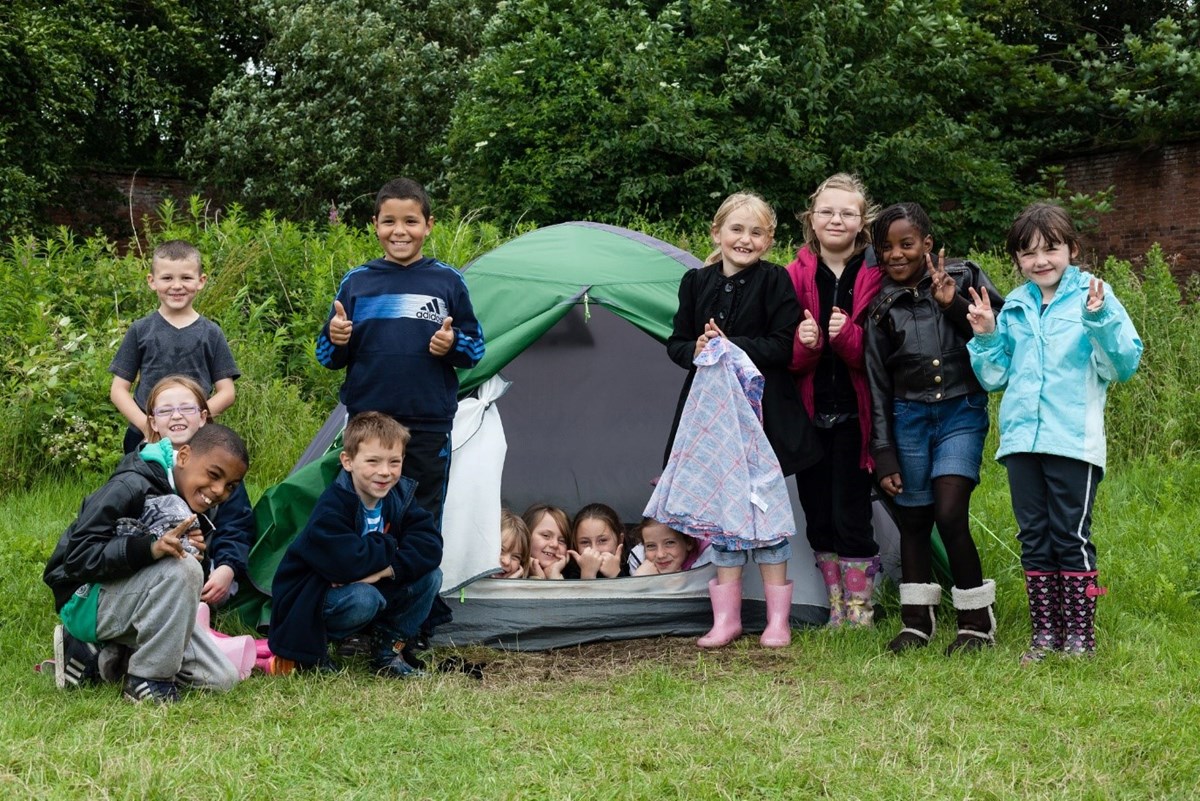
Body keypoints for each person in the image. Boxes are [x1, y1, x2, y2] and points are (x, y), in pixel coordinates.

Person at [967, 202, 1142, 661]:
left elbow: (1123, 364)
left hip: (1073, 442)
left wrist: (1098, 319)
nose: (1041, 260)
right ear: (1017, 260)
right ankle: (1045, 634)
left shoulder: (1095, 295)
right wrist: (986, 335)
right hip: (1022, 443)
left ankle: (1081, 634)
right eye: (1028, 253)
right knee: (1034, 536)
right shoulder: (1017, 305)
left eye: (1051, 249)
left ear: (1073, 249)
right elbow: (995, 377)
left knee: (1071, 536)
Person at [664, 191, 820, 649]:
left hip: (762, 421)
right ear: (717, 233)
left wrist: (732, 345)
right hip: (713, 421)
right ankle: (727, 621)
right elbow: (675, 344)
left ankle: (777, 622)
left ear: (769, 240)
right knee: (723, 516)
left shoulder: (775, 281)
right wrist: (695, 348)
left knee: (766, 516)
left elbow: (783, 346)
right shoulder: (695, 282)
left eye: (756, 232)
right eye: (736, 229)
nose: (745, 239)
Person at [865, 202, 1005, 655]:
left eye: (907, 244)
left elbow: (1002, 335)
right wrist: (883, 451)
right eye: (886, 248)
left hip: (961, 412)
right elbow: (877, 386)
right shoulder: (880, 307)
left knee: (949, 511)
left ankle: (976, 622)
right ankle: (916, 622)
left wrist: (954, 304)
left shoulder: (966, 277)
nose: (896, 255)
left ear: (927, 243)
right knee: (913, 518)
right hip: (908, 418)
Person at [316, 177, 485, 533]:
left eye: (411, 221)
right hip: (368, 422)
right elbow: (327, 355)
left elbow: (475, 349)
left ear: (428, 225)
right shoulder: (356, 283)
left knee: (422, 515)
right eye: (389, 221)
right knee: (365, 514)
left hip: (428, 425)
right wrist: (338, 337)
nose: (400, 231)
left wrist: (451, 346)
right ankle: (366, 585)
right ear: (375, 225)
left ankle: (419, 587)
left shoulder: (448, 282)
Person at [43, 424, 250, 704]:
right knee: (184, 568)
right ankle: (148, 679)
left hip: (134, 598)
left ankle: (100, 652)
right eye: (214, 475)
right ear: (185, 455)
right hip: (82, 597)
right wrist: (149, 549)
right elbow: (77, 557)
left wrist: (199, 558)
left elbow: (179, 585)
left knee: (220, 678)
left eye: (230, 486)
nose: (218, 491)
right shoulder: (130, 483)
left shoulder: (195, 502)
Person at [267, 412, 443, 677]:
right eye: (373, 461)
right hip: (314, 600)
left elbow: (430, 546)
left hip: (363, 583)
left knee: (431, 577)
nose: (385, 472)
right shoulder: (334, 504)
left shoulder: (399, 496)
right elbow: (347, 563)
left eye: (394, 462)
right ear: (347, 461)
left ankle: (386, 650)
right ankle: (315, 652)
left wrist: (384, 571)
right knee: (363, 597)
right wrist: (392, 544)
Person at [786, 173, 885, 628]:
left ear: (862, 222)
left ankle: (861, 610)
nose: (836, 219)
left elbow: (883, 355)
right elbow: (782, 356)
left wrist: (846, 338)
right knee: (818, 514)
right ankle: (836, 608)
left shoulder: (877, 273)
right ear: (812, 217)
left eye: (847, 212)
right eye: (827, 211)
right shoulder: (793, 274)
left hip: (856, 415)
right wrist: (804, 344)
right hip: (809, 415)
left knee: (852, 513)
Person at [109, 239, 239, 453]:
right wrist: (146, 426)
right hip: (143, 435)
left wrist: (195, 421)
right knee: (143, 486)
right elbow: (118, 390)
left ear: (201, 281)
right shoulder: (140, 330)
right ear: (152, 281)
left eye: (186, 277)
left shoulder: (211, 333)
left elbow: (227, 392)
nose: (177, 285)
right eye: (167, 278)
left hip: (197, 437)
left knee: (194, 486)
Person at [142, 376, 256, 609]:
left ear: (203, 417)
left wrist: (228, 567)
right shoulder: (140, 467)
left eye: (186, 408)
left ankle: (197, 617)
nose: (177, 415)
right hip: (152, 562)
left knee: (215, 588)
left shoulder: (224, 469)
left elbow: (237, 526)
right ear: (153, 422)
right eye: (166, 410)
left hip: (207, 563)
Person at [565, 503, 627, 580]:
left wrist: (616, 574)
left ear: (620, 540)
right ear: (575, 544)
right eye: (585, 542)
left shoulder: (633, 564)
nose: (594, 549)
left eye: (602, 540)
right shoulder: (568, 572)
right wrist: (587, 575)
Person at [629, 519, 709, 575]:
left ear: (689, 543)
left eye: (670, 543)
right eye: (651, 546)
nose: (660, 555)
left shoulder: (709, 564)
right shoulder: (639, 563)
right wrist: (641, 582)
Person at [521, 503, 570, 580]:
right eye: (546, 536)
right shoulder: (508, 574)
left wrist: (554, 575)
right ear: (526, 536)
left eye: (562, 541)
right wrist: (537, 578)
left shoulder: (574, 580)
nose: (555, 544)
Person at [495, 509, 530, 579]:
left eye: (516, 557)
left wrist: (509, 586)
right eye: (501, 550)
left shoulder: (520, 590)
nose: (507, 561)